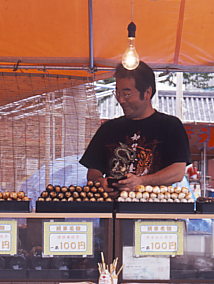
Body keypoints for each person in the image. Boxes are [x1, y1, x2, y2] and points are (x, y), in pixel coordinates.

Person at [80, 61, 191, 195]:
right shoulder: (108, 128)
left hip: (154, 207)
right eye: (117, 93)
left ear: (147, 93)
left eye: (127, 94)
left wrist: (141, 181)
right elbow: (93, 172)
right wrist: (101, 182)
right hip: (114, 207)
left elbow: (178, 171)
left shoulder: (170, 125)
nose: (121, 100)